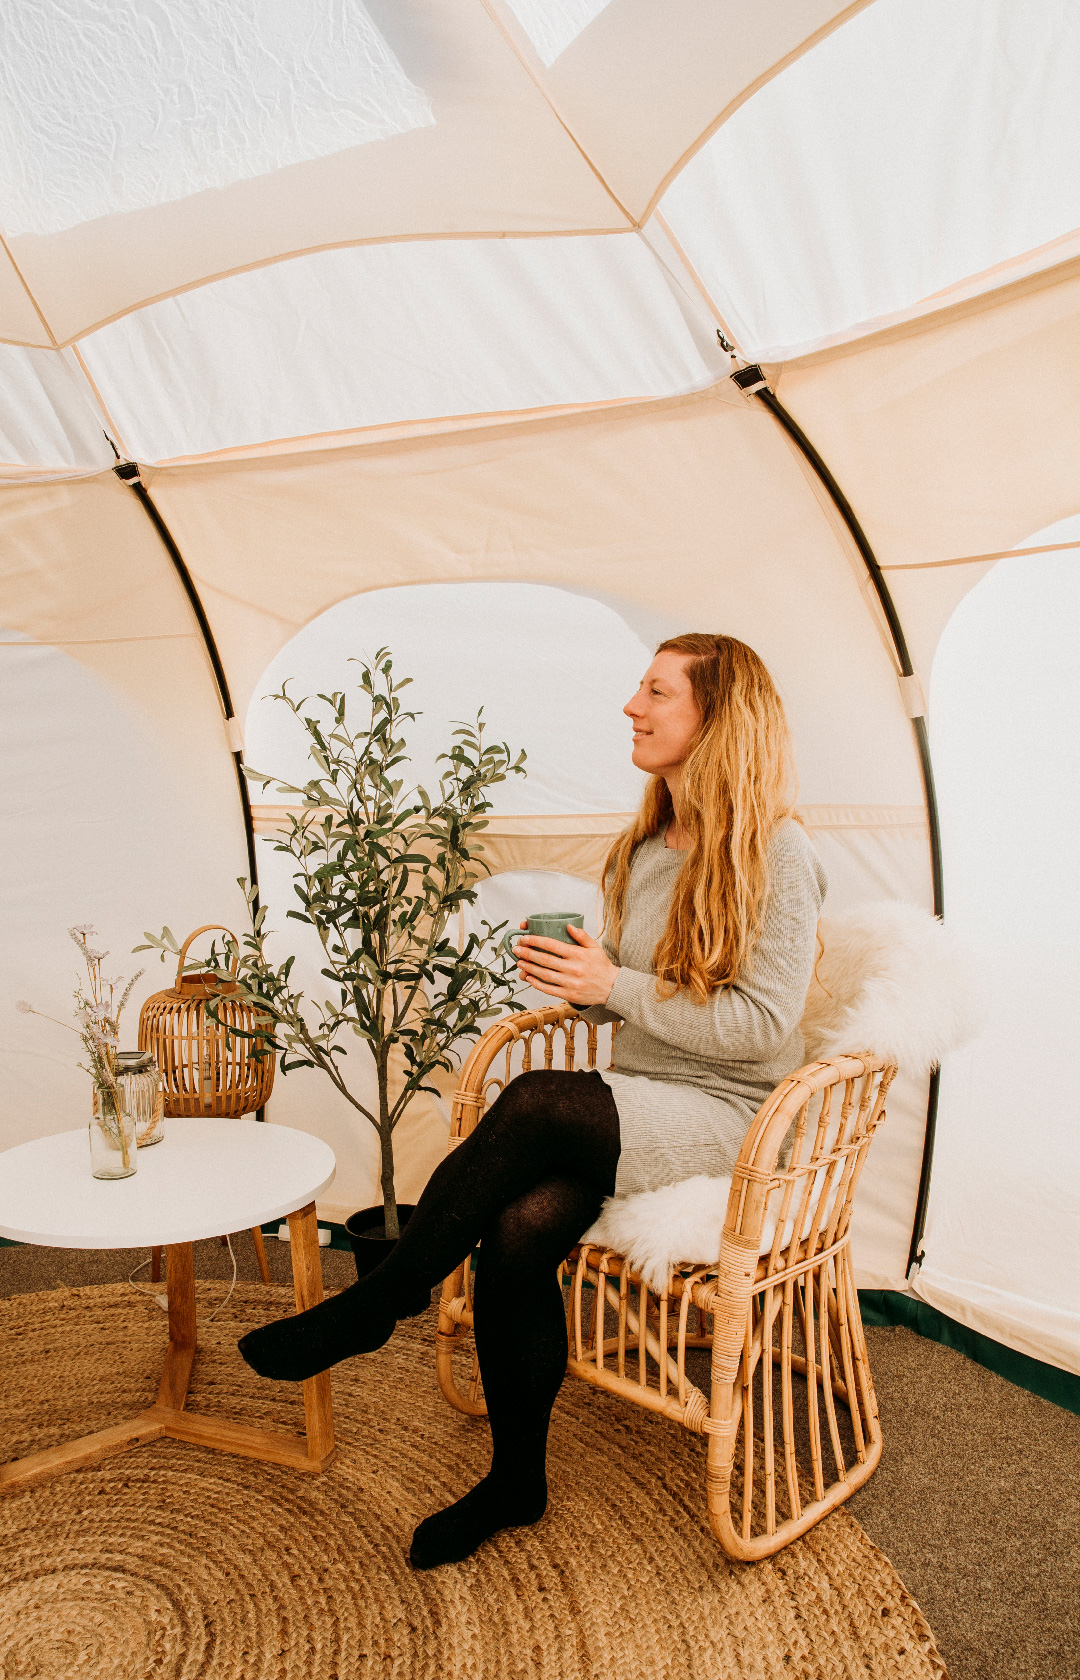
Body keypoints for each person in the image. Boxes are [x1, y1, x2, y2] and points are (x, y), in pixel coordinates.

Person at [239, 632, 827, 1568]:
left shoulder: (778, 853)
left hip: (732, 1119)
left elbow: (759, 1028)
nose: (632, 707)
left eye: (656, 692)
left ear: (718, 719)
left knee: (543, 1095)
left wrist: (613, 989)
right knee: (516, 1236)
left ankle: (379, 1303)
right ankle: (518, 1480)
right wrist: (584, 976)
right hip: (639, 1098)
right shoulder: (646, 846)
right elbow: (649, 992)